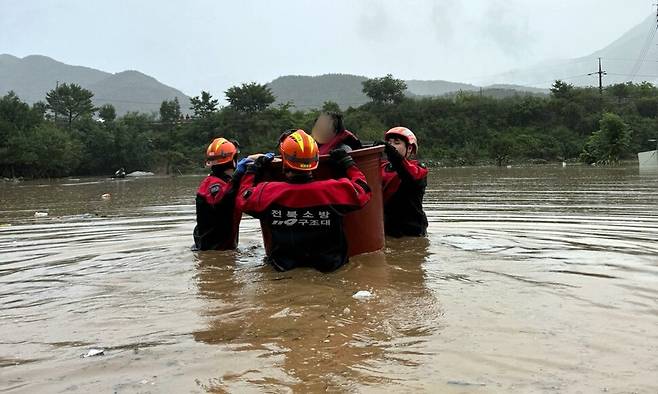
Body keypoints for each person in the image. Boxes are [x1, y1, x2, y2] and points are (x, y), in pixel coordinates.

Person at [237, 129, 371, 272]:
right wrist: (348, 163)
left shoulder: (267, 192)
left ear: (284, 161)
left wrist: (252, 170)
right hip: (330, 269)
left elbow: (243, 198)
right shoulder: (335, 190)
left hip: (284, 269)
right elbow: (363, 190)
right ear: (316, 159)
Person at [193, 137, 252, 251]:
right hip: (215, 248)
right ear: (233, 161)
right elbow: (223, 200)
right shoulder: (215, 186)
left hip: (210, 245)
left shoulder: (218, 182)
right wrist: (238, 176)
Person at [379, 126, 428, 237]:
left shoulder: (419, 169)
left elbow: (407, 173)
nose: (391, 145)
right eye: (389, 142)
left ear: (409, 149)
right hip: (388, 228)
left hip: (412, 230)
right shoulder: (381, 167)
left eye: (396, 143)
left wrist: (392, 153)